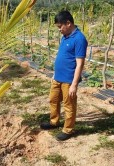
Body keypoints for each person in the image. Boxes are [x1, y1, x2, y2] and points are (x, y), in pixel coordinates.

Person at [40, 10, 88, 141]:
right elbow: (62, 57)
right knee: (53, 100)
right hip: (57, 78)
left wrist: (74, 84)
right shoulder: (65, 36)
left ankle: (68, 129)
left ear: (68, 23)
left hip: (68, 80)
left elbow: (79, 64)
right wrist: (55, 74)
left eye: (60, 26)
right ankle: (54, 121)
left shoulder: (79, 39)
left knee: (69, 105)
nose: (59, 30)